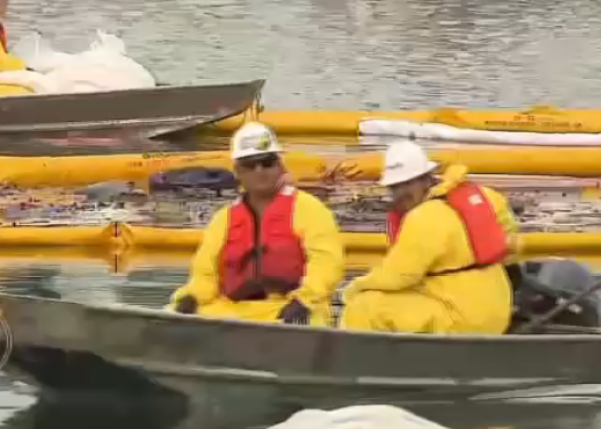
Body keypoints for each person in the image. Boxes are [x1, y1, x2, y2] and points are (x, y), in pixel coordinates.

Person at [168, 122, 346, 325]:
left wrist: (303, 300)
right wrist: (192, 297)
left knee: (311, 318)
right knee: (174, 311)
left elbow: (327, 264)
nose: (259, 171)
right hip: (234, 310)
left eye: (267, 162)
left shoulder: (310, 209)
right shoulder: (223, 219)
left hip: (291, 307)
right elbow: (205, 274)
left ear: (280, 165)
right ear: (237, 171)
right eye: (250, 165)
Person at [340, 140, 518, 335]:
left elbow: (398, 276)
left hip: (460, 319)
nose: (401, 193)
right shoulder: (485, 196)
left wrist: (355, 288)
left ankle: (357, 361)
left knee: (365, 305)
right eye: (395, 187)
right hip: (497, 310)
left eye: (407, 184)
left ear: (426, 179)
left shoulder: (423, 217)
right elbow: (510, 235)